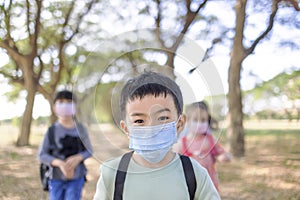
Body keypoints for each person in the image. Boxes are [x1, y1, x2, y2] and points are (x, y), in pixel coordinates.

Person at [93, 71, 220, 200]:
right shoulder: (112, 174)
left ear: (179, 124)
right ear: (126, 129)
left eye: (162, 118)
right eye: (139, 121)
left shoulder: (195, 173)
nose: (150, 129)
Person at [38, 90, 93, 200]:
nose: (65, 105)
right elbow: (42, 155)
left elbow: (89, 150)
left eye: (69, 102)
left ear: (75, 106)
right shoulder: (51, 130)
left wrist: (78, 158)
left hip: (77, 178)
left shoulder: (81, 129)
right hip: (55, 179)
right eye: (61, 101)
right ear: (54, 107)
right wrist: (59, 163)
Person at [176, 101, 231, 191]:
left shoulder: (211, 140)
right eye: (195, 119)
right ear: (187, 121)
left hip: (210, 185)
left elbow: (222, 153)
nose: (199, 123)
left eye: (203, 120)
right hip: (189, 186)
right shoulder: (181, 144)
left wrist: (224, 156)